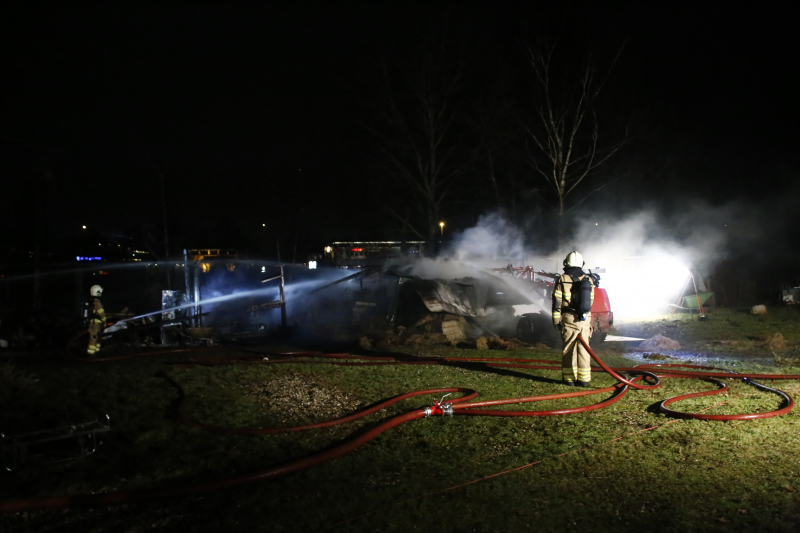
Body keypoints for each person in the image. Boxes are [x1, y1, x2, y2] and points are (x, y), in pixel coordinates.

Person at [552, 251, 595, 386]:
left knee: (569, 348)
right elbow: (591, 301)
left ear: (566, 263)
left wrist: (556, 320)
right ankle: (584, 379)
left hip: (569, 318)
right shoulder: (588, 280)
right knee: (584, 348)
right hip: (584, 320)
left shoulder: (562, 279)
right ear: (582, 263)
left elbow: (557, 302)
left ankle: (570, 379)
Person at [84, 285, 106, 356]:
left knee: (97, 337)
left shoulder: (90, 301)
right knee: (94, 337)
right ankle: (91, 354)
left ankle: (96, 352)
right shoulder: (97, 302)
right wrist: (104, 321)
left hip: (92, 322)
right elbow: (101, 312)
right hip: (95, 323)